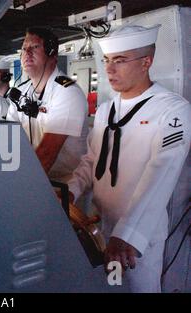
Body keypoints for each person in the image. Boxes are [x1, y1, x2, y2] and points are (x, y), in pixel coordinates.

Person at [67, 24, 190, 292]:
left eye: (120, 61)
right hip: (100, 223)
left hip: (138, 234)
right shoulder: (105, 110)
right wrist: (70, 192)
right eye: (107, 60)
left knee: (138, 289)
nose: (109, 70)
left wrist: (126, 236)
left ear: (147, 62)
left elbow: (162, 172)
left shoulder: (173, 111)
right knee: (110, 288)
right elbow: (91, 161)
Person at [6, 27, 88, 183]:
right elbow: (10, 138)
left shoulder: (67, 92)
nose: (27, 54)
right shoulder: (21, 91)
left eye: (35, 47)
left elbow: (47, 153)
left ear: (52, 54)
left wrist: (18, 187)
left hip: (66, 185)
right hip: (34, 175)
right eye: (24, 49)